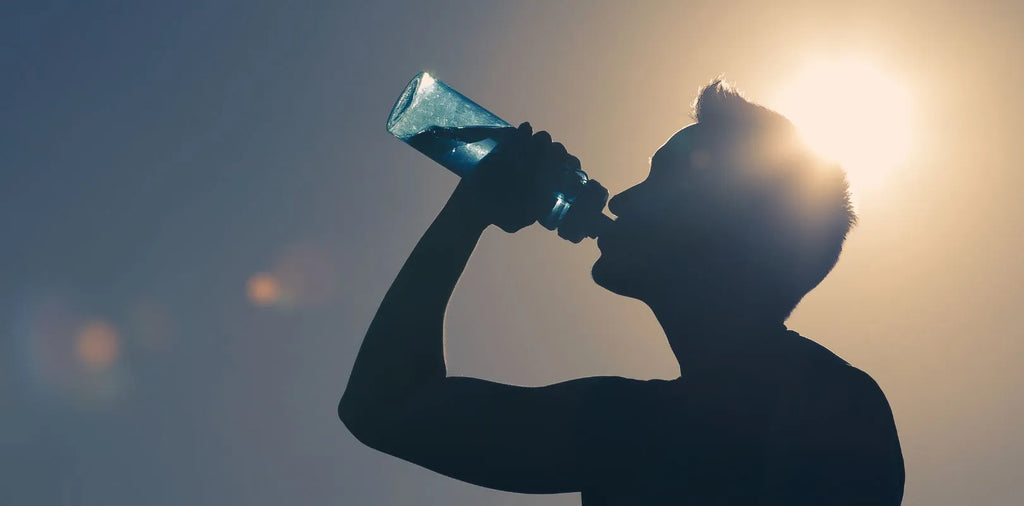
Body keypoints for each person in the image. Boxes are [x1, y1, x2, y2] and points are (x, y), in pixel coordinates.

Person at [339, 81, 905, 505]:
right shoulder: (626, 422)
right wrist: (470, 211)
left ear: (728, 226)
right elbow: (382, 409)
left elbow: (385, 407)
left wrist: (468, 217)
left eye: (660, 179)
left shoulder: (828, 408)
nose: (622, 199)